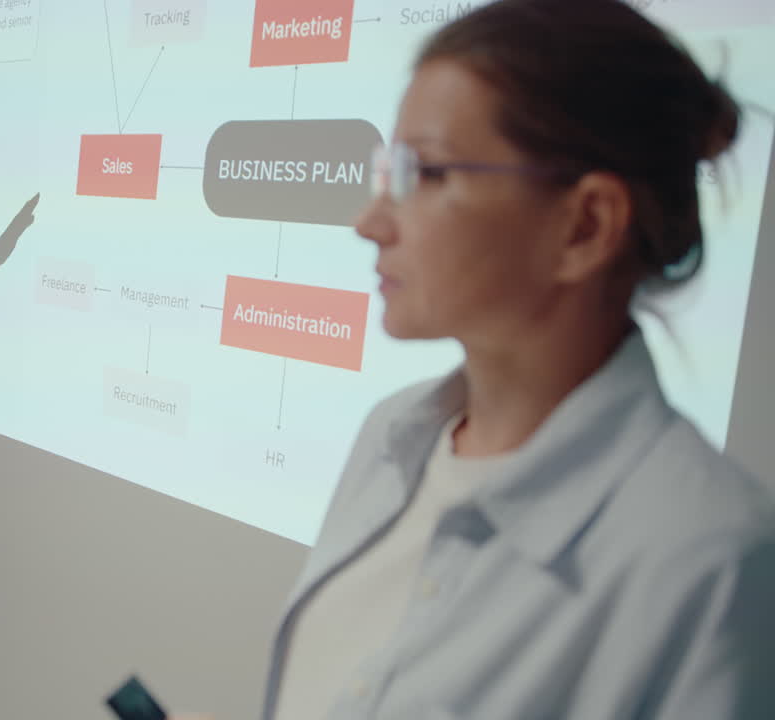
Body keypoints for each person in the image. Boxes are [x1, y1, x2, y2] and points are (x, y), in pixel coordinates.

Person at [179, 1, 775, 718]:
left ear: (584, 227)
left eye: (426, 174)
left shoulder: (708, 560)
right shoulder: (393, 438)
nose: (370, 223)